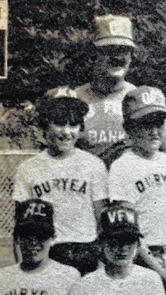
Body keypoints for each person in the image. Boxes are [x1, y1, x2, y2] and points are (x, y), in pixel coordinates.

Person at [13, 86, 108, 275]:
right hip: (47, 253)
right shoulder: (28, 168)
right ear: (44, 126)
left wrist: (101, 265)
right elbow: (19, 229)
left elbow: (101, 220)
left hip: (85, 252)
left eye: (73, 124)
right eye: (58, 123)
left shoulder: (93, 165)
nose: (66, 132)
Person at [108, 86, 166, 288]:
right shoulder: (122, 166)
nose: (154, 132)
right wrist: (164, 275)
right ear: (129, 128)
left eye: (159, 123)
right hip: (145, 260)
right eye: (145, 125)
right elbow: (128, 232)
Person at [75, 14, 166, 168]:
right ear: (93, 54)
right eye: (110, 50)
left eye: (124, 50)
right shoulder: (75, 99)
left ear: (131, 56)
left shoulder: (144, 100)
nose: (118, 57)